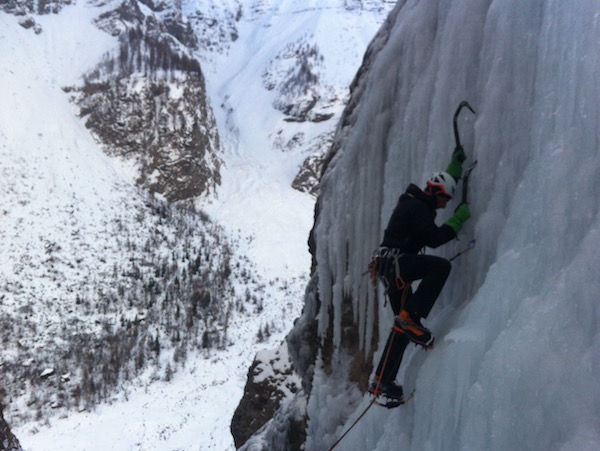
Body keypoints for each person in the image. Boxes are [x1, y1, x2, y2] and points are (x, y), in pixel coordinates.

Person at [368, 146, 472, 400]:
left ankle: (383, 379)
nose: (445, 205)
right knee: (440, 267)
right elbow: (434, 239)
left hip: (390, 269)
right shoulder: (417, 207)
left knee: (403, 327)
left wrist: (454, 169)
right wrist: (458, 220)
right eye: (444, 200)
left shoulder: (416, 203)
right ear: (436, 195)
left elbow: (442, 185)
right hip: (397, 265)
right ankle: (411, 317)